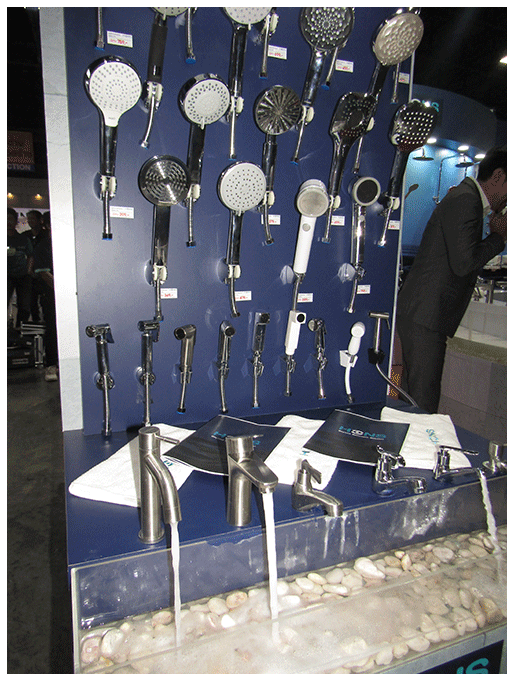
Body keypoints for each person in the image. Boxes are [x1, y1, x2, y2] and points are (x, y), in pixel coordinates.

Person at [396, 146, 507, 413]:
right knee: (423, 400)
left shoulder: (465, 198)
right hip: (427, 316)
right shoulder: (466, 199)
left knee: (414, 397)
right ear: (499, 177)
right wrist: (498, 237)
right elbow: (464, 263)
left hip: (424, 314)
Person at [33, 211, 59, 381]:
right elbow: (44, 274)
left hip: (74, 296)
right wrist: (62, 290)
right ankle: (51, 365)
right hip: (51, 294)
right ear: (48, 225)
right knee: (52, 328)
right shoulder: (43, 246)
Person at [7, 207, 34, 327]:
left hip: (23, 276)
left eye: (10, 219)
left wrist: (28, 271)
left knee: (24, 306)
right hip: (6, 276)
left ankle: (20, 329)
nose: (8, 222)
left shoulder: (23, 239)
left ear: (15, 221)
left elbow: (31, 255)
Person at [27, 210, 46, 323]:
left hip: (44, 272)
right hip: (29, 274)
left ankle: (47, 321)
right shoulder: (25, 236)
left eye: (33, 219)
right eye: (29, 219)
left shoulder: (46, 235)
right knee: (31, 301)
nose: (30, 221)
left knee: (45, 301)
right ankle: (35, 321)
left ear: (40, 220)